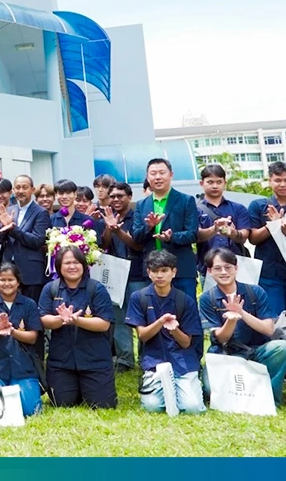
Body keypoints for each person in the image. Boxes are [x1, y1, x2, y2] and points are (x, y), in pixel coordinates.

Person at [198, 249, 286, 406]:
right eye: (217, 268)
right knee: (210, 389)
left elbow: (268, 329)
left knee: (283, 348)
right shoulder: (207, 298)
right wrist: (231, 321)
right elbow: (221, 338)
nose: (223, 272)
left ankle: (269, 397)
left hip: (257, 351)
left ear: (236, 268)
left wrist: (241, 313)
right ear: (209, 271)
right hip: (226, 354)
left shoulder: (255, 292)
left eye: (228, 267)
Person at [127, 250, 205, 415]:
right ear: (148, 272)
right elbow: (143, 336)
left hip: (183, 360)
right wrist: (161, 322)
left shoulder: (185, 300)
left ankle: (186, 386)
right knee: (152, 406)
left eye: (164, 270)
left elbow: (186, 342)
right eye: (155, 271)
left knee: (192, 408)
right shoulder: (138, 297)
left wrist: (174, 329)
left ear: (173, 272)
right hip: (154, 361)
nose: (159, 275)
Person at [39, 247, 117, 409]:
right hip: (61, 361)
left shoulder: (97, 289)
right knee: (61, 403)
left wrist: (77, 321)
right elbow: (43, 319)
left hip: (94, 360)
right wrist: (61, 319)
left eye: (76, 262)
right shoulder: (51, 289)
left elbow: (104, 323)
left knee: (103, 405)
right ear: (59, 266)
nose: (72, 266)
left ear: (84, 265)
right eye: (67, 263)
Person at [0, 264, 43, 418]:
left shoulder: (29, 304)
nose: (6, 283)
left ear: (18, 282)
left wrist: (13, 331)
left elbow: (32, 337)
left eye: (11, 280)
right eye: (2, 280)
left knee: (30, 411)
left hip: (23, 367)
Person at [246, 162, 286, 319]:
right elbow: (253, 238)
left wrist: (285, 227)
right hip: (268, 271)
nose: (282, 184)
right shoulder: (258, 205)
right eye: (278, 180)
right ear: (270, 181)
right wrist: (273, 224)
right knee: (274, 317)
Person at [134, 159, 200, 301]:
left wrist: (171, 237)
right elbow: (136, 236)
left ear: (171, 175)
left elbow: (193, 234)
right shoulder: (141, 205)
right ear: (147, 177)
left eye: (162, 173)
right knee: (154, 311)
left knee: (186, 309)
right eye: (153, 173)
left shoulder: (186, 200)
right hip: (153, 271)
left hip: (181, 269)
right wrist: (149, 227)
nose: (158, 177)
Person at [100, 181, 145, 372]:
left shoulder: (138, 217)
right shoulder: (108, 216)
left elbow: (138, 245)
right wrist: (109, 227)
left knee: (142, 316)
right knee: (119, 318)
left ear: (129, 197)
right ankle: (125, 359)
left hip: (137, 273)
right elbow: (104, 245)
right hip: (115, 274)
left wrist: (118, 229)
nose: (116, 199)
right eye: (112, 196)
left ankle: (145, 357)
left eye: (120, 196)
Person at [0, 176, 51, 296]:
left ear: (32, 190)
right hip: (8, 269)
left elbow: (37, 240)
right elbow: (1, 241)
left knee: (31, 305)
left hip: (31, 272)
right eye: (17, 188)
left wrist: (12, 228)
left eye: (24, 187)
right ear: (13, 190)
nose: (21, 191)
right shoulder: (9, 210)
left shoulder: (41, 212)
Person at [194, 164, 252, 273]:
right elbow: (195, 236)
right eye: (210, 182)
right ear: (202, 183)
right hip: (208, 268)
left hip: (236, 267)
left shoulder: (238, 208)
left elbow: (244, 236)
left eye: (219, 182)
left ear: (225, 183)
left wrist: (232, 232)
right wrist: (214, 229)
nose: (215, 186)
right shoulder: (194, 210)